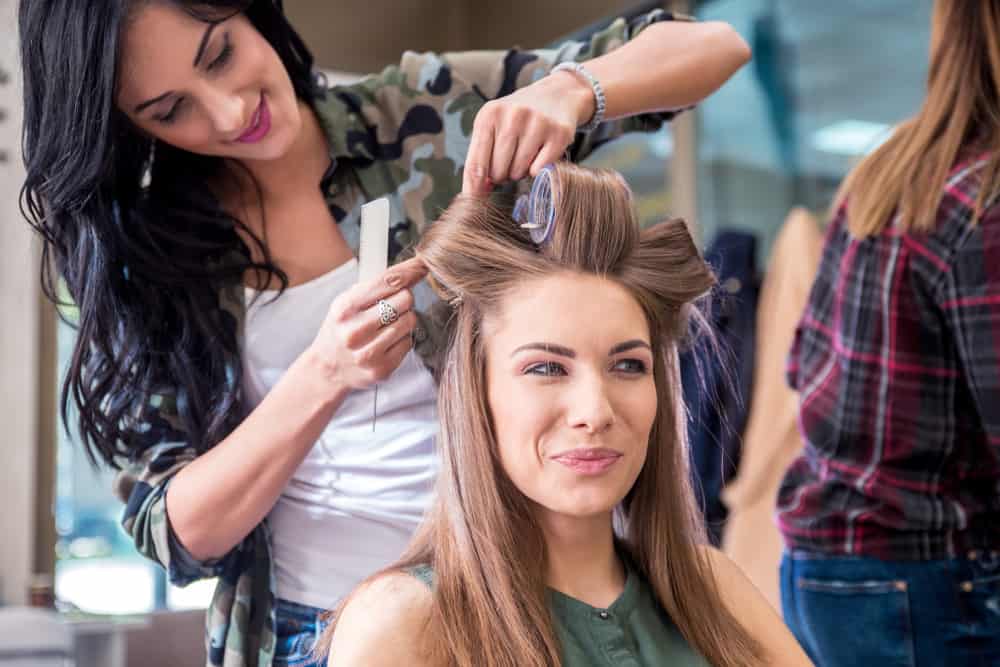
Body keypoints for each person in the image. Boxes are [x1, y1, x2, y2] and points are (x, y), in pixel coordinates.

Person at [18, 1, 751, 665]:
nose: (230, 110)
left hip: (524, 608)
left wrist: (571, 89)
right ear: (130, 126)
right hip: (310, 628)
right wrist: (324, 374)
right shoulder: (153, 254)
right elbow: (180, 534)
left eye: (221, 55)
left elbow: (713, 46)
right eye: (170, 109)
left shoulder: (420, 111)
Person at [319, 163, 812, 667]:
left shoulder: (712, 589)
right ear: (475, 393)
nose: (595, 412)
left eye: (628, 365)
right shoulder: (403, 621)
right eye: (546, 368)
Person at [778, 2, 1000, 664]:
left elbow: (801, 366)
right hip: (924, 580)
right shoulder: (985, 199)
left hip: (826, 568)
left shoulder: (891, 170)